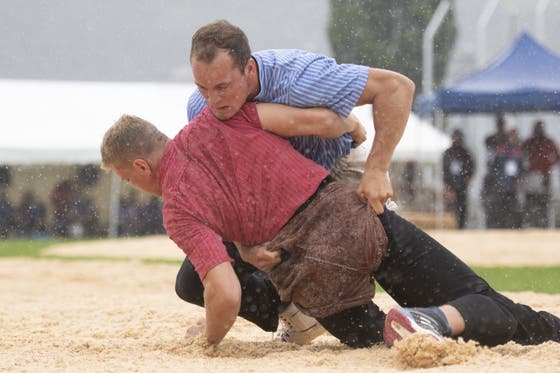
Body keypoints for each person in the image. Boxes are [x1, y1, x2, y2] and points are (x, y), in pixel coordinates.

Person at [101, 103, 560, 349]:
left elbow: (224, 292)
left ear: (141, 165)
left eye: (126, 178)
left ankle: (413, 325)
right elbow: (321, 120)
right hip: (352, 221)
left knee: (381, 343)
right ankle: (442, 317)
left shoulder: (178, 207)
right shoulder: (218, 120)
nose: (134, 186)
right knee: (480, 300)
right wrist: (355, 137)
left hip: (317, 283)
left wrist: (209, 335)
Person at [177, 19, 415, 342]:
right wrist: (244, 244)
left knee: (385, 253)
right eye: (202, 88)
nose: (213, 101)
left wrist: (375, 166)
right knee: (191, 278)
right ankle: (298, 314)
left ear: (248, 69)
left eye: (221, 87)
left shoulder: (299, 78)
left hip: (338, 163)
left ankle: (444, 315)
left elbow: (397, 88)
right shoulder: (200, 108)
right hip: (283, 191)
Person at [522, 120, 559, 228]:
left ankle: (543, 225)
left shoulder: (548, 142)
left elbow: (557, 157)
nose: (538, 131)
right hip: (531, 177)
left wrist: (547, 168)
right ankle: (530, 224)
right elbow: (521, 156)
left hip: (544, 177)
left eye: (540, 128)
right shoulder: (529, 142)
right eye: (537, 129)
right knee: (530, 202)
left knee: (543, 204)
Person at [442, 129, 475, 229]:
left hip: (461, 185)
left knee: (462, 206)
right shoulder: (448, 153)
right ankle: (452, 225)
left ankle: (461, 225)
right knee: (451, 207)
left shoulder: (465, 153)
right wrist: (447, 184)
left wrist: (467, 177)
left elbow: (471, 167)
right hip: (451, 184)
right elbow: (444, 169)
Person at [483, 114, 508, 228]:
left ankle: (503, 224)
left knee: (505, 203)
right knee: (490, 202)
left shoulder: (507, 139)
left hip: (505, 176)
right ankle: (491, 224)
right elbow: (490, 159)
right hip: (493, 175)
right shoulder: (491, 139)